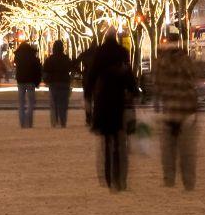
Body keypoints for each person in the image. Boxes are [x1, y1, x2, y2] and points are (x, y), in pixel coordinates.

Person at [85, 30, 137, 191]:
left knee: (106, 144)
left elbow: (90, 78)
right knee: (120, 143)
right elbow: (129, 77)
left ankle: (108, 178)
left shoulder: (99, 54)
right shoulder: (122, 53)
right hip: (118, 103)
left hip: (103, 103)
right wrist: (134, 91)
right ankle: (120, 178)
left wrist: (88, 101)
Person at [153, 36, 199, 190]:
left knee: (168, 150)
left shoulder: (161, 63)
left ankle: (169, 180)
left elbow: (157, 86)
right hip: (187, 110)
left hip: (169, 111)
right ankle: (188, 183)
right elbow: (194, 81)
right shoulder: (187, 60)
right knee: (187, 152)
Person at [43, 40, 73, 127]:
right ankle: (63, 121)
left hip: (54, 83)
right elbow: (71, 68)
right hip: (64, 82)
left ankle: (54, 121)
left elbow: (45, 70)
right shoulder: (66, 58)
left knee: (54, 103)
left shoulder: (50, 59)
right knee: (63, 103)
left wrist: (46, 80)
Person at [14, 41, 42, 128]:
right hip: (31, 81)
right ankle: (29, 122)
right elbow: (38, 71)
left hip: (21, 81)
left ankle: (22, 122)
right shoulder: (33, 57)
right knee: (31, 103)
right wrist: (37, 82)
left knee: (21, 103)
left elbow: (17, 68)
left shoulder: (18, 57)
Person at [75, 41, 98, 125]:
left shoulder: (85, 53)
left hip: (87, 78)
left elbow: (75, 64)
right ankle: (95, 118)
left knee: (88, 99)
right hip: (97, 78)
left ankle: (88, 118)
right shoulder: (99, 54)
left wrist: (81, 72)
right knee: (96, 99)